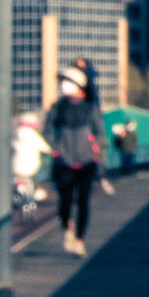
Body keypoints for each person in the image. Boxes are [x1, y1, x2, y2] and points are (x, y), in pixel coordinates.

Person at [45, 67, 106, 256]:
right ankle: (67, 226)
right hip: (63, 161)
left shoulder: (90, 108)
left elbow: (100, 133)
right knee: (64, 202)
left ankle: (80, 240)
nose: (64, 85)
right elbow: (47, 131)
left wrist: (94, 148)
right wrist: (55, 148)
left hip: (86, 161)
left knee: (83, 201)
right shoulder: (57, 108)